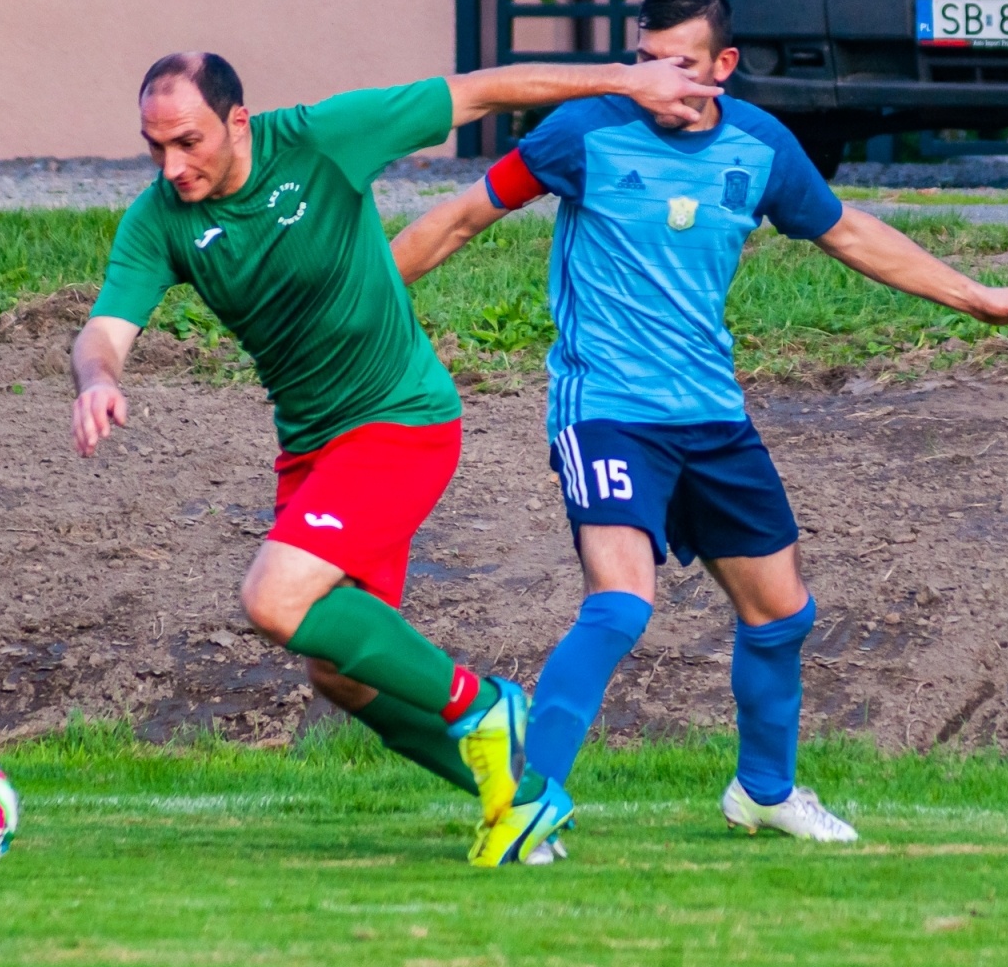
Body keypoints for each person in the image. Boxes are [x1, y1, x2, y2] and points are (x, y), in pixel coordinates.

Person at [378, 0, 1008, 855]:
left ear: (723, 66)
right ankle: (528, 803)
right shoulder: (582, 132)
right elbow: (462, 217)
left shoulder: (762, 146)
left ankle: (764, 792)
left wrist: (975, 296)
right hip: (609, 412)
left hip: (711, 416)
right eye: (644, 61)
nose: (658, 81)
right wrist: (358, 300)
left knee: (782, 616)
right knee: (622, 606)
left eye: (680, 65)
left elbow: (849, 231)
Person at [68, 50, 722, 867]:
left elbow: (478, 91)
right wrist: (97, 380)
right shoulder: (160, 217)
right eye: (154, 146)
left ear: (239, 122)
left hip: (400, 420)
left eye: (188, 142)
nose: (172, 166)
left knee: (273, 598)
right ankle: (517, 803)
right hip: (312, 447)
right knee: (338, 673)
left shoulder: (323, 139)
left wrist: (627, 81)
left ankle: (484, 704)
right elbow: (105, 329)